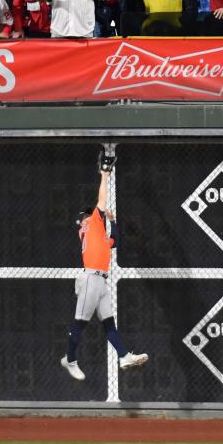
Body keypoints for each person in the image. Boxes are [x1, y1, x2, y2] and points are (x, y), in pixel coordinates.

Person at [61, 153, 148, 382]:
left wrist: (113, 222)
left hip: (101, 282)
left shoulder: (97, 232)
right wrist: (104, 175)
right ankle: (70, 360)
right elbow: (101, 201)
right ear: (83, 221)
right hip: (90, 279)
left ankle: (123, 356)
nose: (93, 214)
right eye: (88, 215)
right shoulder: (88, 227)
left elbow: (115, 242)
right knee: (80, 322)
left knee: (109, 323)